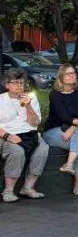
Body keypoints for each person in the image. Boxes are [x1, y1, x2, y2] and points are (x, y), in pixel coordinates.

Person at [42, 62, 78, 196]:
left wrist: (73, 127)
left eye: (73, 73)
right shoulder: (54, 95)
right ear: (61, 77)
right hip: (54, 131)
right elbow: (64, 116)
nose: (72, 75)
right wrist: (77, 124)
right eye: (68, 73)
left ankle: (69, 164)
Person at [0, 68, 48, 202]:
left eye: (21, 83)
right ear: (7, 84)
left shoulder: (30, 99)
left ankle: (28, 188)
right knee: (17, 151)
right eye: (15, 83)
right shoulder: (1, 100)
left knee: (43, 149)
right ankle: (8, 191)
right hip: (6, 135)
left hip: (29, 134)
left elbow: (35, 123)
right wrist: (8, 136)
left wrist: (28, 106)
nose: (19, 86)